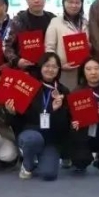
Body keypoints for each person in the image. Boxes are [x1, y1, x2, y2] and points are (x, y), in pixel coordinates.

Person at [10, 52, 70, 181]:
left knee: (49, 174)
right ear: (40, 67)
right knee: (33, 139)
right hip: (30, 133)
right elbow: (20, 119)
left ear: (59, 70)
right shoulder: (28, 86)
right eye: (47, 66)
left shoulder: (63, 91)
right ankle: (27, 164)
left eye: (54, 67)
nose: (50, 70)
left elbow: (64, 125)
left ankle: (39, 160)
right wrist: (12, 112)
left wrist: (56, 110)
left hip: (50, 139)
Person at [67, 58, 99, 176]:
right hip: (84, 132)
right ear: (83, 72)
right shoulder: (76, 92)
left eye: (96, 68)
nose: (93, 72)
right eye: (88, 69)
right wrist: (74, 123)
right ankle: (81, 159)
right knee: (80, 161)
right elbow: (70, 117)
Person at [3, 0, 56, 71]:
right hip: (25, 68)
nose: (36, 0)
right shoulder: (19, 20)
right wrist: (16, 61)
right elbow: (6, 45)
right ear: (26, 0)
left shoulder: (52, 19)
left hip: (48, 68)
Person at [45, 0, 89, 90]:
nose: (74, 5)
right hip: (64, 70)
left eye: (77, 2)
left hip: (84, 70)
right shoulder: (55, 22)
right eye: (70, 2)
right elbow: (49, 48)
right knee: (66, 94)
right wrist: (59, 66)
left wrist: (88, 45)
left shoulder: (85, 22)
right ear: (64, 2)